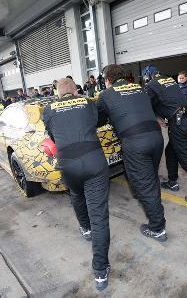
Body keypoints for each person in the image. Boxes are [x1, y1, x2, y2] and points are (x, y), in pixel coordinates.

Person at [43, 78, 111, 291]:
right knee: (99, 214)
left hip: (67, 163)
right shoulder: (88, 102)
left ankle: (85, 228)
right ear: (75, 90)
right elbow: (98, 122)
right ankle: (100, 271)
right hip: (93, 160)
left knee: (76, 195)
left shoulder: (48, 109)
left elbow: (53, 135)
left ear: (58, 93)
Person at [97, 64, 167, 242]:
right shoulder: (141, 88)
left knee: (145, 185)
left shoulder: (105, 95)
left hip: (136, 142)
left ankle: (157, 228)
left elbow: (98, 120)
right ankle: (146, 196)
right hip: (157, 137)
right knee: (150, 178)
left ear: (107, 80)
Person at [143, 65, 187, 203]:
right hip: (186, 118)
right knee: (171, 151)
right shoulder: (168, 79)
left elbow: (146, 104)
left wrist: (156, 117)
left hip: (178, 122)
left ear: (148, 76)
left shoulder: (151, 85)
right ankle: (172, 181)